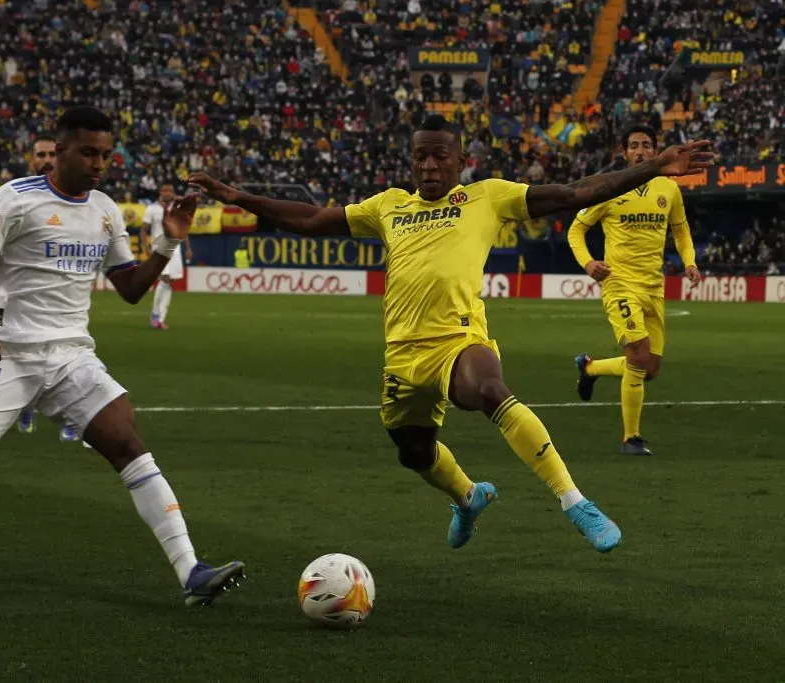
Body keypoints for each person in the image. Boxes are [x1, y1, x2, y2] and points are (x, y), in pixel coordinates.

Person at [189, 114, 714, 553]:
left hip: (459, 339)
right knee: (413, 451)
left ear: (461, 160)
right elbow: (309, 218)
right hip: (402, 356)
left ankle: (575, 501)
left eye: (441, 156)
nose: (429, 165)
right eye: (421, 156)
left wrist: (656, 164)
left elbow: (574, 192)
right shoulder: (388, 206)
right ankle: (468, 497)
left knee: (488, 390)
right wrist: (233, 194)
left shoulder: (487, 198)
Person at [0, 105, 244, 605]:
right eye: (88, 153)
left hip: (71, 355)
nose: (99, 163)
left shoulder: (105, 210)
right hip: (6, 353)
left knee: (126, 439)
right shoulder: (15, 199)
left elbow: (131, 289)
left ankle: (190, 571)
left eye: (106, 154)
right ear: (60, 152)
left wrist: (168, 240)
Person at [568, 124, 701, 456]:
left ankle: (590, 367)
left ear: (655, 152)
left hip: (654, 286)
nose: (640, 150)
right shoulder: (609, 188)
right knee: (639, 358)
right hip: (619, 283)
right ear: (624, 152)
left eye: (646, 145)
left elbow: (681, 231)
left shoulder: (668, 190)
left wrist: (690, 261)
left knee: (650, 368)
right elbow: (576, 230)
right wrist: (588, 264)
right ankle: (631, 438)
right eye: (634, 146)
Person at [14, 135, 80, 442]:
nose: (47, 159)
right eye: (41, 154)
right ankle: (27, 407)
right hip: (25, 303)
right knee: (31, 367)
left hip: (66, 302)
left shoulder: (80, 199)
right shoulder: (17, 198)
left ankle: (70, 419)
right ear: (32, 159)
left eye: (53, 153)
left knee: (71, 365)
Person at [140, 182, 192, 329]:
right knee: (164, 278)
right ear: (160, 192)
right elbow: (144, 230)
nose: (167, 193)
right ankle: (156, 316)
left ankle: (160, 317)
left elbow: (183, 229)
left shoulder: (178, 209)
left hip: (175, 246)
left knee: (169, 281)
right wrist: (146, 248)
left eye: (170, 190)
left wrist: (188, 247)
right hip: (159, 244)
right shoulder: (151, 209)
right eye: (164, 190)